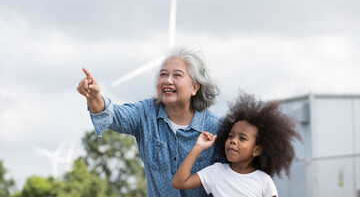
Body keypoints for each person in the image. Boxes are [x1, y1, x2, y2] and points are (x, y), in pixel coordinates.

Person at [77, 46, 221, 197]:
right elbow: (114, 115)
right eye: (163, 74)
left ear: (194, 87)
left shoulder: (216, 127)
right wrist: (94, 97)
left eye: (177, 75)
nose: (168, 81)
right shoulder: (145, 113)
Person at [172, 91, 302, 197]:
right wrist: (198, 147)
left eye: (242, 138)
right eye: (231, 136)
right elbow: (179, 182)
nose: (233, 141)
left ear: (257, 150)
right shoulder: (216, 172)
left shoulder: (263, 181)